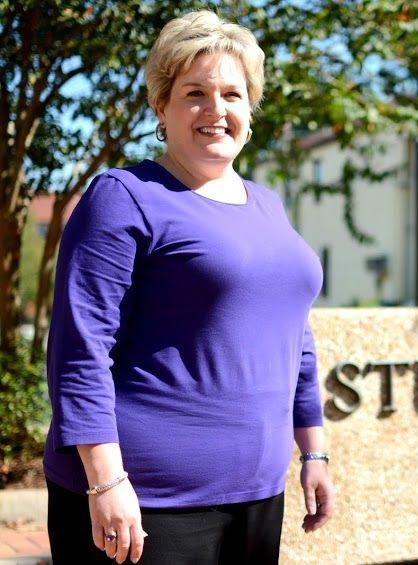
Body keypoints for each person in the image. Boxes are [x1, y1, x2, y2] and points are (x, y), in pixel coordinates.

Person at [42, 10, 335, 565]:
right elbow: (80, 348)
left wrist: (313, 452)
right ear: (161, 106)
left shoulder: (268, 205)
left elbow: (295, 336)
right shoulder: (125, 195)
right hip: (145, 502)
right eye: (194, 93)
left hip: (256, 496)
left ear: (251, 108)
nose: (216, 110)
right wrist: (106, 483)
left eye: (232, 93)